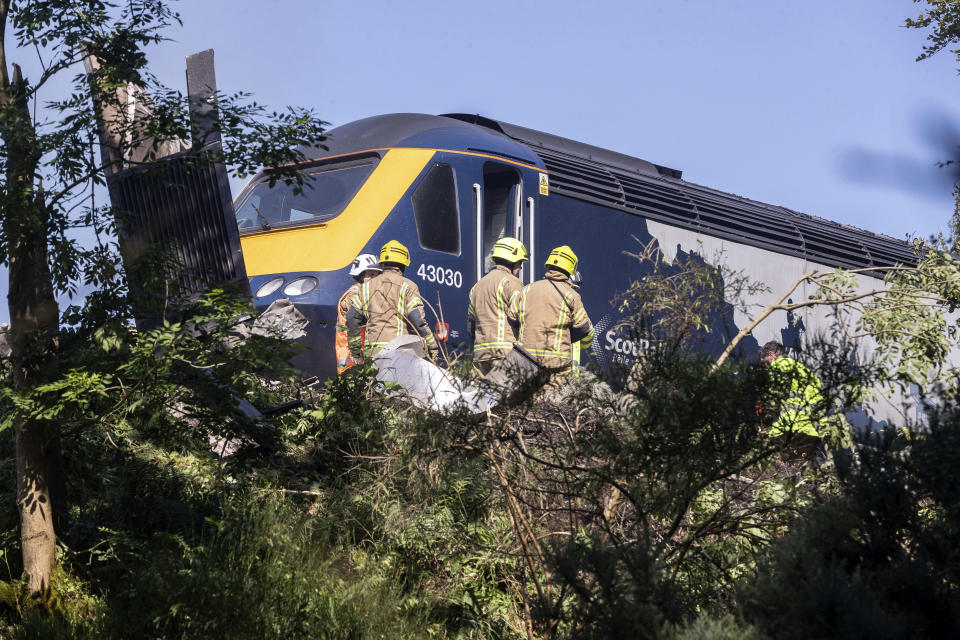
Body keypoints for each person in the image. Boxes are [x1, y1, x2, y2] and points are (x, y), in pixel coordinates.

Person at [346, 240, 438, 360]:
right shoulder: (408, 286)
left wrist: (355, 351)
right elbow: (418, 321)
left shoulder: (366, 288)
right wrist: (432, 346)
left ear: (382, 264)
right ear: (403, 265)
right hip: (399, 353)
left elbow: (352, 318)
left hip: (373, 356)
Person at [512, 245, 593, 371]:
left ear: (548, 265)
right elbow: (584, 329)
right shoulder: (571, 295)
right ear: (570, 270)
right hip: (556, 366)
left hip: (525, 362)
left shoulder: (527, 289)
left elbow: (512, 319)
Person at [467, 237, 528, 374]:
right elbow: (523, 318)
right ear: (511, 261)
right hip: (504, 354)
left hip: (480, 356)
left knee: (483, 394)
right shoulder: (512, 283)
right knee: (508, 395)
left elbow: (471, 326)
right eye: (519, 263)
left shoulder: (477, 286)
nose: (520, 268)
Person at [758, 340, 823, 461]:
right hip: (810, 420)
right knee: (802, 457)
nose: (766, 366)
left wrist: (766, 411)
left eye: (765, 362)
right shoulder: (798, 366)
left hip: (793, 419)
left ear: (772, 355)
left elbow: (775, 394)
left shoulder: (779, 365)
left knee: (773, 438)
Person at [335, 253, 381, 373]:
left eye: (377, 275)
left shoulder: (362, 293)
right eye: (371, 275)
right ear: (360, 275)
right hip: (351, 358)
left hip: (357, 356)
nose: (374, 279)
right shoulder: (354, 295)